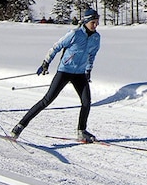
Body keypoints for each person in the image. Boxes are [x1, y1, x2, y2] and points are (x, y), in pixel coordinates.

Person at [11, 8, 101, 143]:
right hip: (65, 71)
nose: (95, 25)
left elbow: (92, 55)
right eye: (93, 22)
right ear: (86, 21)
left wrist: (88, 70)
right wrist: (46, 62)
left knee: (86, 102)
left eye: (97, 22)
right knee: (47, 100)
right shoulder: (75, 34)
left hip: (80, 74)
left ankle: (81, 131)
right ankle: (20, 125)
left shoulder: (96, 38)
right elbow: (56, 47)